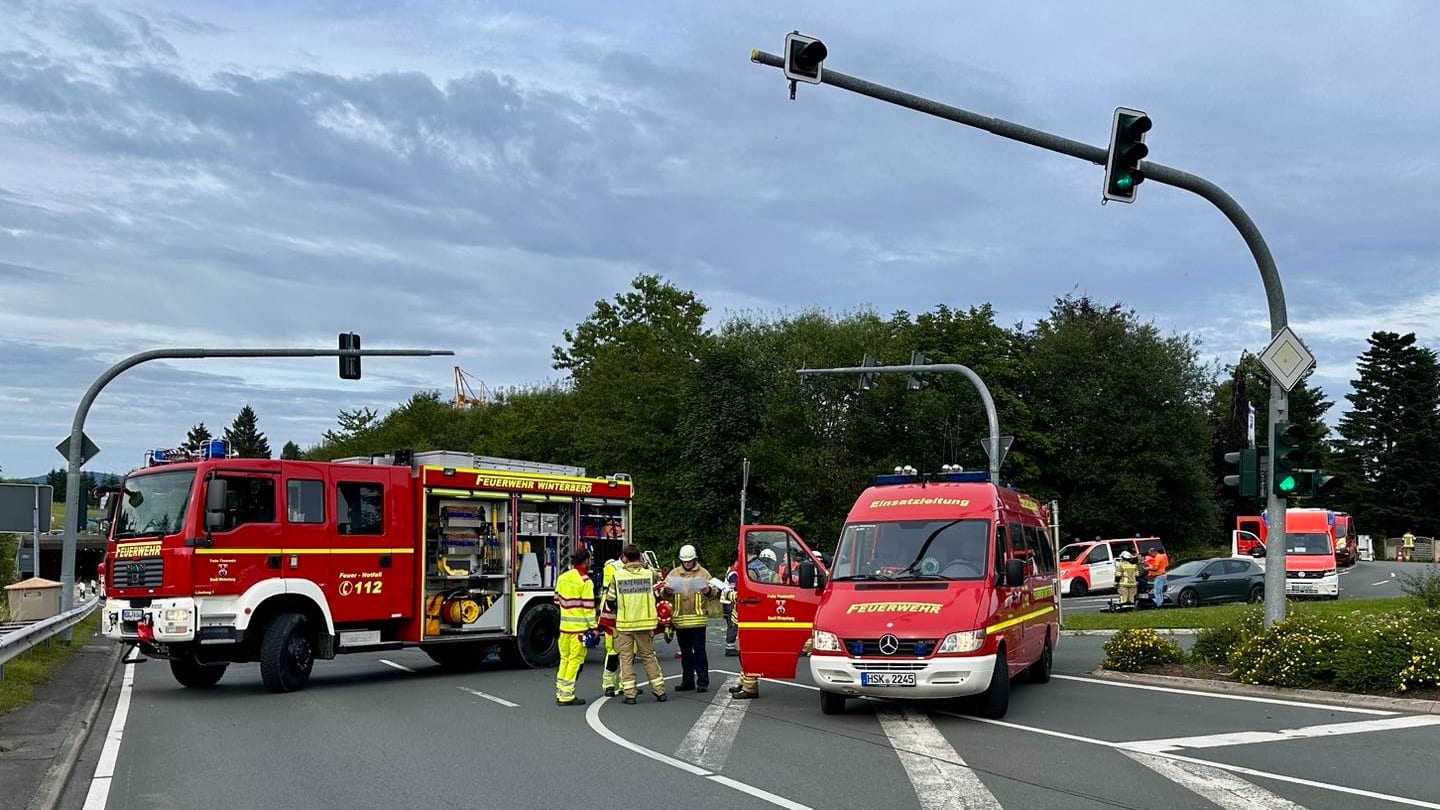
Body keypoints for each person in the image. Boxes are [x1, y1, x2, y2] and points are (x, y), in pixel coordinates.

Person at [604, 544, 667, 704]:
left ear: (624, 557)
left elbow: (610, 600)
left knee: (625, 659)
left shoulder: (618, 576)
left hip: (625, 625)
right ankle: (660, 691)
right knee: (649, 657)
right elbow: (660, 577)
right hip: (645, 624)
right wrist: (644, 563)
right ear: (639, 556)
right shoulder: (648, 574)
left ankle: (630, 694)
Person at [664, 544, 714, 693]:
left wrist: (708, 590)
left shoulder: (704, 574)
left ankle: (703, 682)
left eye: (689, 561)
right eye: (684, 561)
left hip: (698, 620)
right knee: (685, 654)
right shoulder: (673, 574)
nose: (687, 563)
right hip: (680, 621)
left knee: (700, 652)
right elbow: (663, 593)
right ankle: (687, 682)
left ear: (694, 559)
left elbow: (714, 593)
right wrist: (666, 591)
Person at [553, 549, 597, 706]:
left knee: (564, 659)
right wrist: (594, 627)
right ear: (585, 561)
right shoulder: (585, 581)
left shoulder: (562, 577)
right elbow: (588, 608)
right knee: (575, 661)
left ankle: (561, 691)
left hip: (564, 628)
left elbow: (557, 600)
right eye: (589, 560)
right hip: (579, 630)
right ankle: (567, 695)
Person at [598, 554, 625, 696]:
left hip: (621, 614)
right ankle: (609, 684)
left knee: (625, 653)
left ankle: (623, 684)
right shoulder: (612, 568)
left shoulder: (614, 568)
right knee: (614, 652)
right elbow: (611, 596)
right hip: (614, 614)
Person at [721, 561, 740, 657]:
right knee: (733, 623)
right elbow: (735, 584)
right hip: (729, 601)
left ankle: (730, 646)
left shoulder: (732, 569)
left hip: (727, 601)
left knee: (732, 622)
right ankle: (730, 647)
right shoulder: (733, 572)